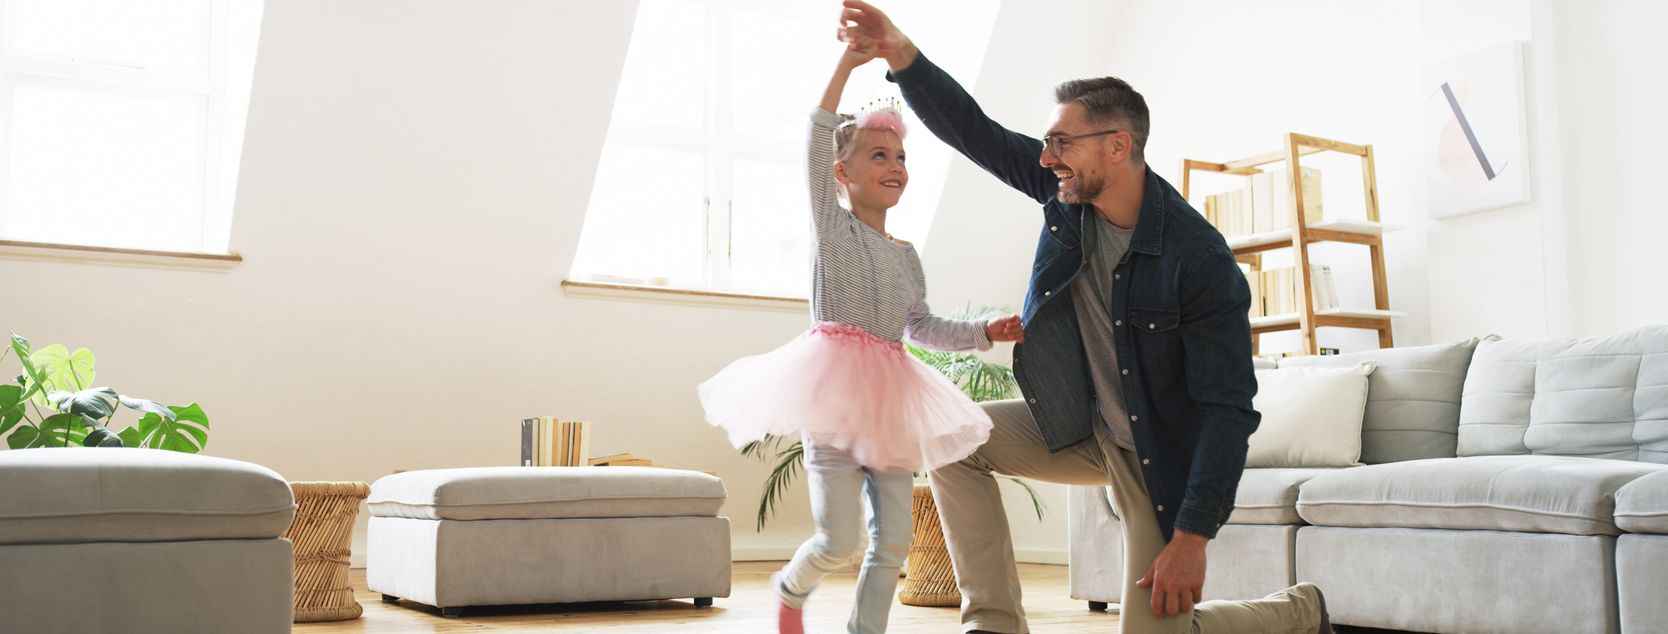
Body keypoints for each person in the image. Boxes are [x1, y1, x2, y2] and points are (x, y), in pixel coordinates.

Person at [836, 2, 1336, 633]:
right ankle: (991, 625)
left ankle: (1293, 612)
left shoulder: (1199, 261)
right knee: (953, 440)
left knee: (1160, 633)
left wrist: (1193, 537)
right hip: (1081, 424)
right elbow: (975, 131)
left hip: (1156, 454)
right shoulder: (1066, 196)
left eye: (1060, 142)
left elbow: (1228, 408)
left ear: (1118, 146)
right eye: (1047, 143)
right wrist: (901, 53)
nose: (1047, 158)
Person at [696, 42, 1025, 634]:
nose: (896, 165)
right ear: (843, 174)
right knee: (836, 536)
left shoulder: (907, 255)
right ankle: (792, 587)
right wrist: (846, 67)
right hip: (836, 398)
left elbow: (920, 327)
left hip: (892, 405)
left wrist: (982, 332)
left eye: (900, 156)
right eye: (879, 155)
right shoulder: (832, 227)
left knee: (893, 539)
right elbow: (815, 139)